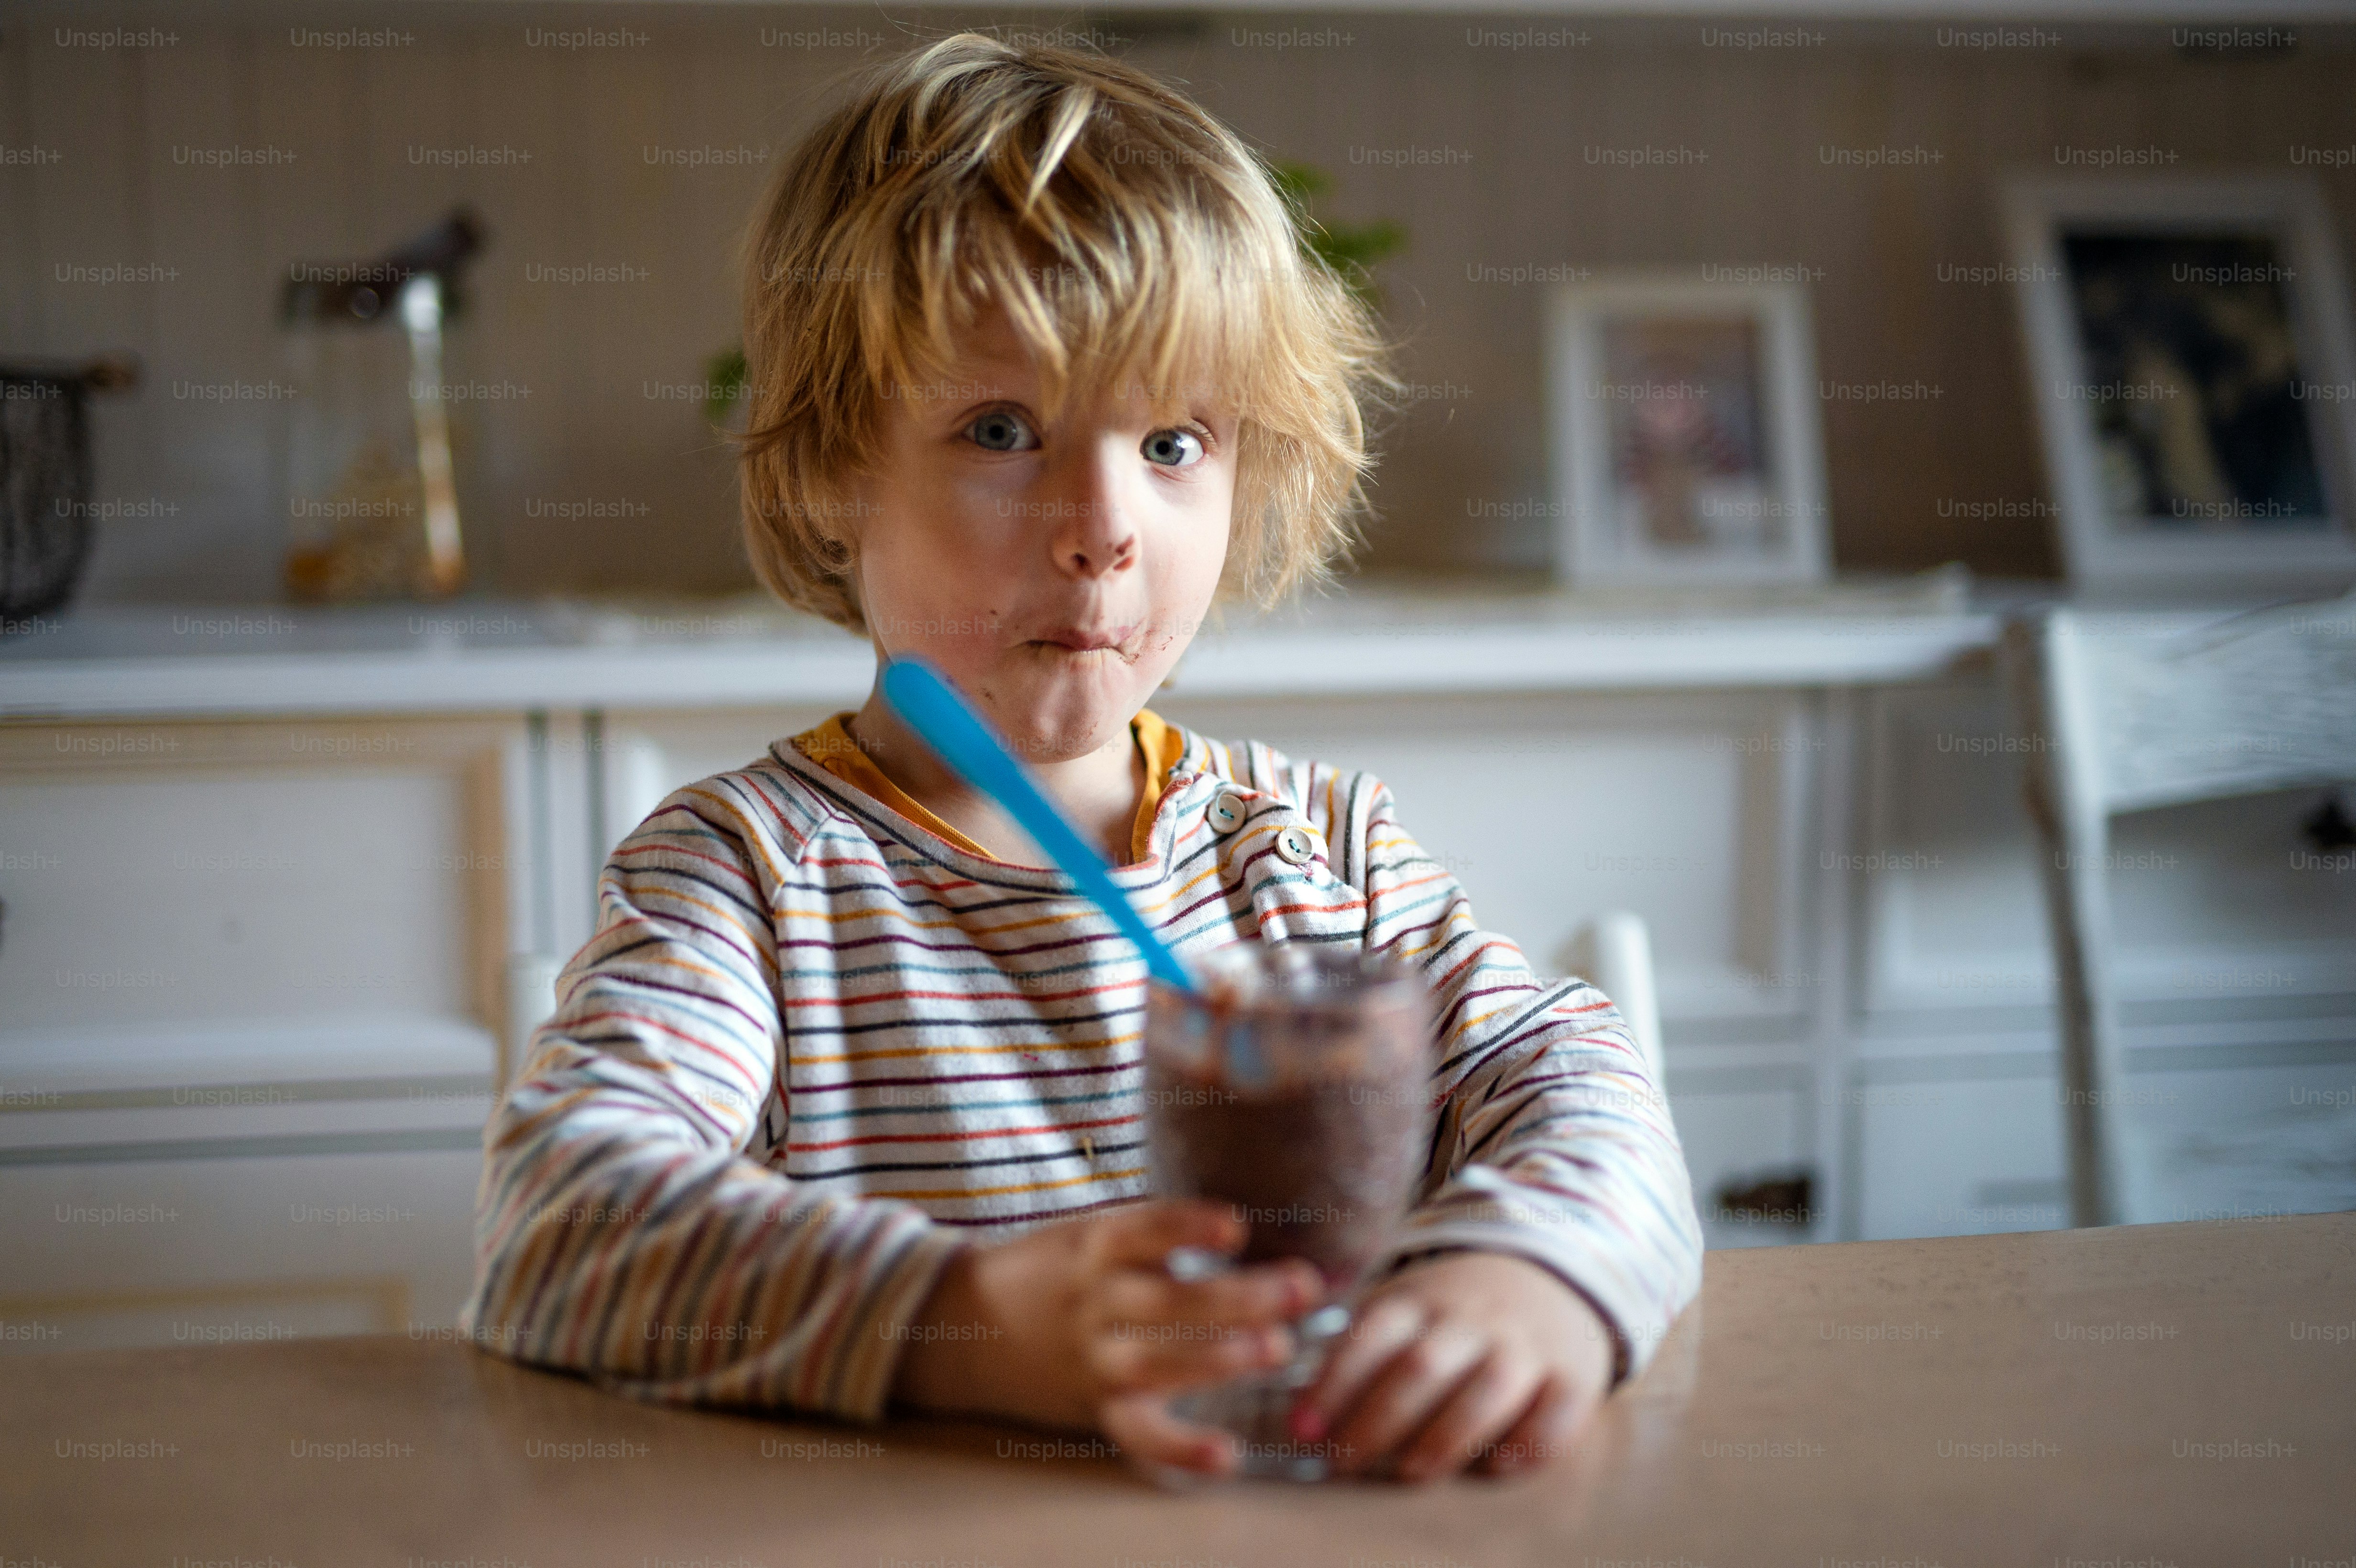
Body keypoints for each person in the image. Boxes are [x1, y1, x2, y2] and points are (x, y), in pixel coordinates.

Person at [461, 31, 1702, 1485]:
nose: (1106, 524)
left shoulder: (1317, 854)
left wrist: (1532, 1279)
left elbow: (1585, 1081)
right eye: (1004, 428)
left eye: (1175, 442)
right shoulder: (751, 879)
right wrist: (971, 1322)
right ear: (832, 471)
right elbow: (558, 1223)